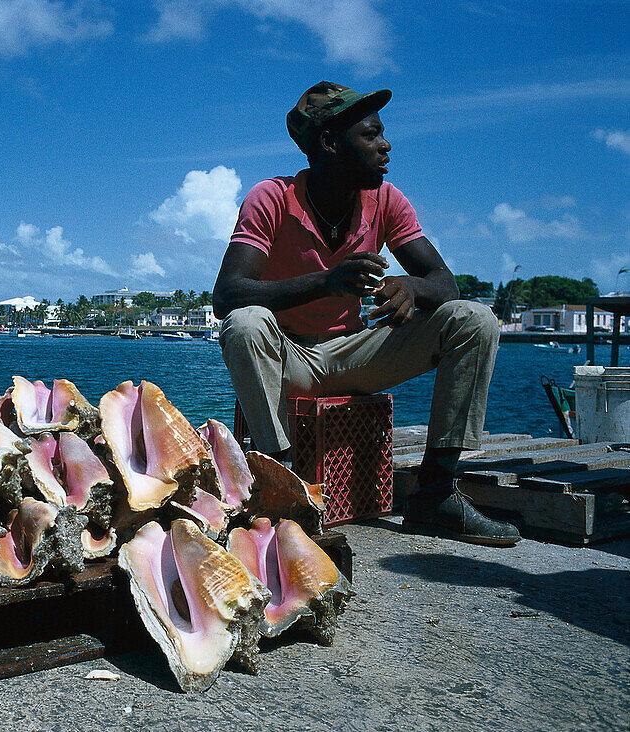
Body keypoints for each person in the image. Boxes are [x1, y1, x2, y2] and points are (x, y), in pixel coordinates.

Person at [213, 81, 519, 547]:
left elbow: (446, 283)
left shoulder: (387, 200)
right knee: (245, 322)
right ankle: (284, 490)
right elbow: (228, 294)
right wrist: (327, 281)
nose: (386, 145)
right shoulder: (271, 198)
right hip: (287, 359)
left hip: (355, 355)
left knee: (473, 319)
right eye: (371, 135)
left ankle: (435, 494)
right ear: (330, 144)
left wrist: (411, 287)